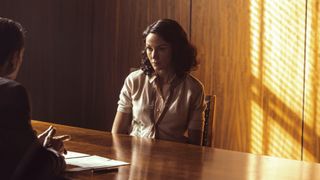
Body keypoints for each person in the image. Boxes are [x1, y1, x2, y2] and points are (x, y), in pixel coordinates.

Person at [112, 19, 206, 145]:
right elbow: (117, 134)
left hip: (173, 160)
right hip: (135, 158)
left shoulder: (193, 89)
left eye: (161, 49)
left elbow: (196, 146)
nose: (154, 56)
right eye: (149, 49)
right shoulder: (134, 81)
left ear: (176, 50)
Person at [0, 17, 70, 179]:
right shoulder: (11, 92)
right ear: (14, 58)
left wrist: (33, 146)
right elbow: (37, 169)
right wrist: (54, 153)